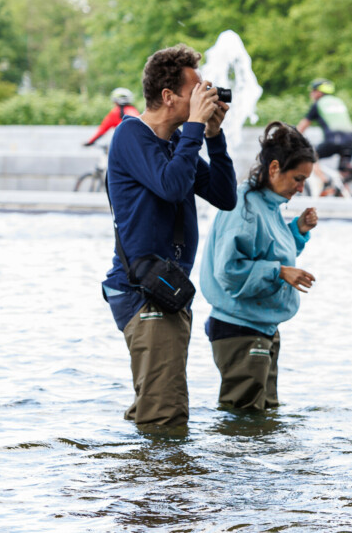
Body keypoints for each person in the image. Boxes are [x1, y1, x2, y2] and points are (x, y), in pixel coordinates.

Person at [101, 44, 237, 430]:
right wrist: (194, 127)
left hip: (165, 290)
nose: (203, 96)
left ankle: (144, 483)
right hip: (143, 293)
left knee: (157, 407)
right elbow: (172, 187)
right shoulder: (131, 135)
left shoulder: (179, 143)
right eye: (195, 89)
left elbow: (225, 197)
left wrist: (213, 135)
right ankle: (162, 490)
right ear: (168, 96)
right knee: (165, 417)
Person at [199, 122, 319, 412]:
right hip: (239, 328)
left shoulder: (267, 204)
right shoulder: (245, 207)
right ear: (275, 167)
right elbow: (228, 271)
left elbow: (269, 250)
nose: (301, 188)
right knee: (244, 420)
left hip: (260, 326)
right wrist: (279, 272)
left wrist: (297, 230)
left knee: (262, 416)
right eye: (298, 178)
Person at [296, 78, 352, 192]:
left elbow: (303, 125)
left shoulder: (318, 104)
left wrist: (293, 137)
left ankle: (326, 182)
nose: (311, 94)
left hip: (334, 140)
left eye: (313, 91)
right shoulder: (338, 101)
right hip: (351, 140)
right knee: (343, 175)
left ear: (319, 92)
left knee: (310, 156)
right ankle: (347, 193)